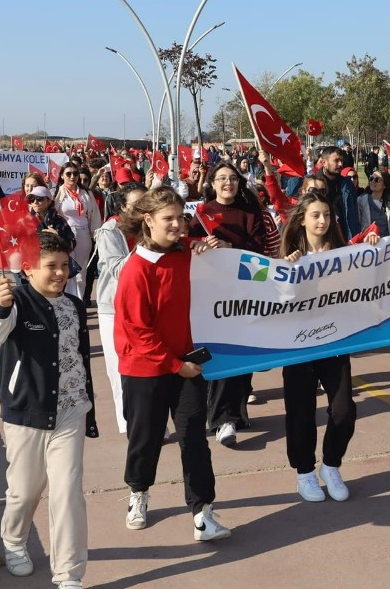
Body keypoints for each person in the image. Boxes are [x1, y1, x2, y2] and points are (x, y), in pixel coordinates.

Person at [0, 232, 98, 588]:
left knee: (67, 491)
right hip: (27, 412)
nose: (60, 273)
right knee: (26, 489)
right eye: (51, 267)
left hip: (71, 411)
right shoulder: (16, 302)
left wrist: (88, 404)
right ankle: (14, 541)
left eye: (65, 266)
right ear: (27, 269)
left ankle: (69, 573)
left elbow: (79, 356)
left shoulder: (74, 305)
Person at [115, 186, 232, 541]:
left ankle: (203, 511)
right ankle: (138, 493)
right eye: (168, 219)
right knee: (145, 439)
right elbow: (138, 330)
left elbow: (217, 254)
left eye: (181, 217)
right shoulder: (136, 270)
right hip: (146, 369)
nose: (177, 225)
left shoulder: (185, 252)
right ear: (147, 221)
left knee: (195, 438)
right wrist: (173, 364)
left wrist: (217, 248)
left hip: (186, 366)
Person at [280, 191, 366, 502]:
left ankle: (331, 465)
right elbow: (278, 303)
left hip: (334, 341)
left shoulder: (342, 254)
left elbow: (367, 282)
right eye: (316, 215)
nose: (322, 221)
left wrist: (371, 251)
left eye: (327, 215)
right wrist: (288, 274)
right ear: (301, 219)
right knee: (301, 413)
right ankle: (305, 473)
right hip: (299, 346)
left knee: (344, 410)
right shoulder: (287, 257)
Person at [188, 162, 268, 447]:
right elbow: (189, 244)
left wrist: (232, 249)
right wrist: (199, 245)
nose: (227, 183)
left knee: (243, 356)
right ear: (212, 183)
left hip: (245, 292)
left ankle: (236, 412)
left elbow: (261, 252)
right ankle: (223, 419)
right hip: (212, 296)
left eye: (232, 178)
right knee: (222, 353)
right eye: (221, 178)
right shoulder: (201, 213)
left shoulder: (251, 212)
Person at [94, 183, 145, 434]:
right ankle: (129, 425)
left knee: (145, 366)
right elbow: (118, 270)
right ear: (123, 207)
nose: (143, 209)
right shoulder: (109, 231)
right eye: (136, 205)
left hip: (144, 306)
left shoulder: (151, 226)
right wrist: (146, 246)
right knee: (119, 369)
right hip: (113, 308)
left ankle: (147, 419)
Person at [54, 162, 100, 298]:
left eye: (75, 173)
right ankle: (68, 302)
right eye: (68, 174)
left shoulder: (86, 194)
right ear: (62, 176)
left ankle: (79, 303)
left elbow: (94, 215)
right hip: (65, 236)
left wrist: (95, 234)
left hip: (83, 235)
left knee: (81, 273)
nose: (72, 176)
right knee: (67, 271)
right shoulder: (57, 193)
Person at [358, 170, 390, 237]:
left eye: (377, 179)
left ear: (384, 185)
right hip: (367, 243)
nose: (373, 181)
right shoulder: (361, 201)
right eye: (371, 179)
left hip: (386, 243)